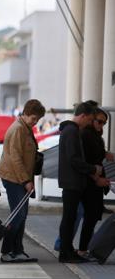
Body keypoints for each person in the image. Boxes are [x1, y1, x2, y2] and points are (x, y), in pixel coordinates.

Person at [57, 101, 110, 263]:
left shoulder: (72, 131)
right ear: (83, 116)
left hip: (73, 182)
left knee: (71, 217)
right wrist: (93, 169)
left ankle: (67, 250)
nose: (89, 123)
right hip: (72, 182)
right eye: (90, 120)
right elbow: (74, 160)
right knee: (69, 218)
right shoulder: (72, 131)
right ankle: (66, 252)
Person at [0, 99, 45, 263]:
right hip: (14, 178)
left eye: (37, 119)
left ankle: (17, 250)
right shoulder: (18, 129)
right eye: (33, 118)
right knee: (17, 215)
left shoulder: (24, 127)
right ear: (25, 113)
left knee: (21, 215)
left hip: (18, 178)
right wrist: (26, 180)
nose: (35, 122)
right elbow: (15, 157)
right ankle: (7, 251)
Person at [77, 105, 113, 260]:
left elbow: (95, 155)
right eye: (99, 121)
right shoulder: (86, 135)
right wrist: (97, 179)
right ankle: (83, 249)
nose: (101, 125)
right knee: (89, 217)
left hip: (95, 181)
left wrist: (105, 154)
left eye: (104, 123)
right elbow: (85, 159)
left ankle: (85, 248)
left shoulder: (96, 136)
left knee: (92, 217)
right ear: (92, 120)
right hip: (90, 182)